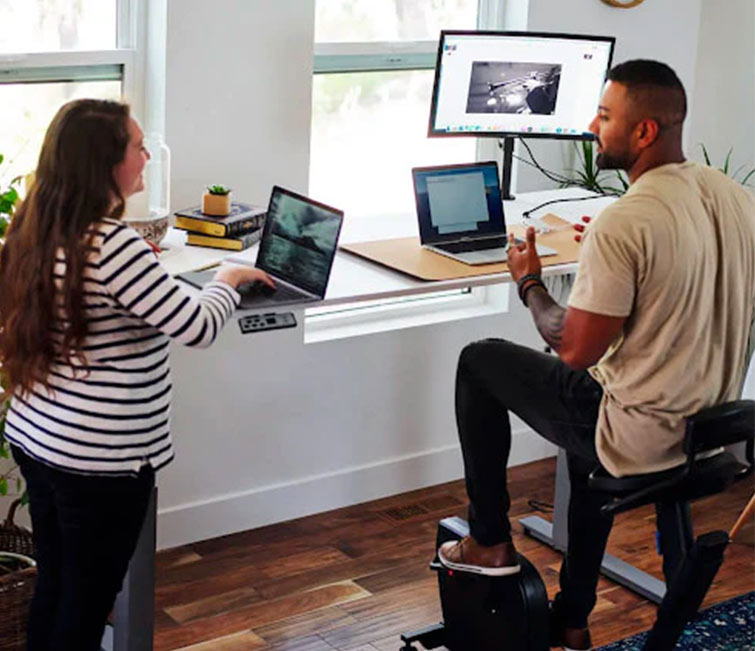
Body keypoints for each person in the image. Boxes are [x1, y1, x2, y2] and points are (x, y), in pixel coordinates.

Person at [437, 59, 755, 650]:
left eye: (605, 116)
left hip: (640, 437)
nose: (591, 124)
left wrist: (529, 280)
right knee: (586, 424)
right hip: (711, 426)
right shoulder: (735, 198)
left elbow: (576, 349)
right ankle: (573, 619)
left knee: (480, 359)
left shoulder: (628, 220)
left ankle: (488, 539)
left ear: (645, 132)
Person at [0, 99, 274, 651]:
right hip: (98, 462)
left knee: (56, 587)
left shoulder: (37, 227)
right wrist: (227, 277)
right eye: (137, 146)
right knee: (84, 605)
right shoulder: (112, 244)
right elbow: (195, 326)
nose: (147, 156)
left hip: (38, 438)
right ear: (106, 162)